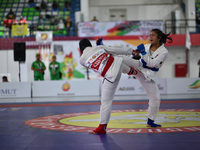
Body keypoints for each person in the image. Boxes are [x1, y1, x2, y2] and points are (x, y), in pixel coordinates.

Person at [79, 38, 140, 134]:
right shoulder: (98, 48)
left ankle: (102, 127)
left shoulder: (81, 60)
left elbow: (93, 61)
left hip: (111, 75)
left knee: (106, 101)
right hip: (117, 63)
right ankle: (132, 70)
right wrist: (131, 51)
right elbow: (116, 49)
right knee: (115, 56)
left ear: (81, 49)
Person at [124, 29, 173, 128]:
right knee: (123, 60)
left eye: (153, 35)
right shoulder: (146, 47)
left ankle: (150, 122)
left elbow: (152, 64)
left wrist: (143, 53)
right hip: (138, 68)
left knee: (156, 99)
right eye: (150, 35)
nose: (150, 37)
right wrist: (137, 53)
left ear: (159, 38)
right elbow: (133, 55)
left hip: (148, 75)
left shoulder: (164, 52)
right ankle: (106, 52)